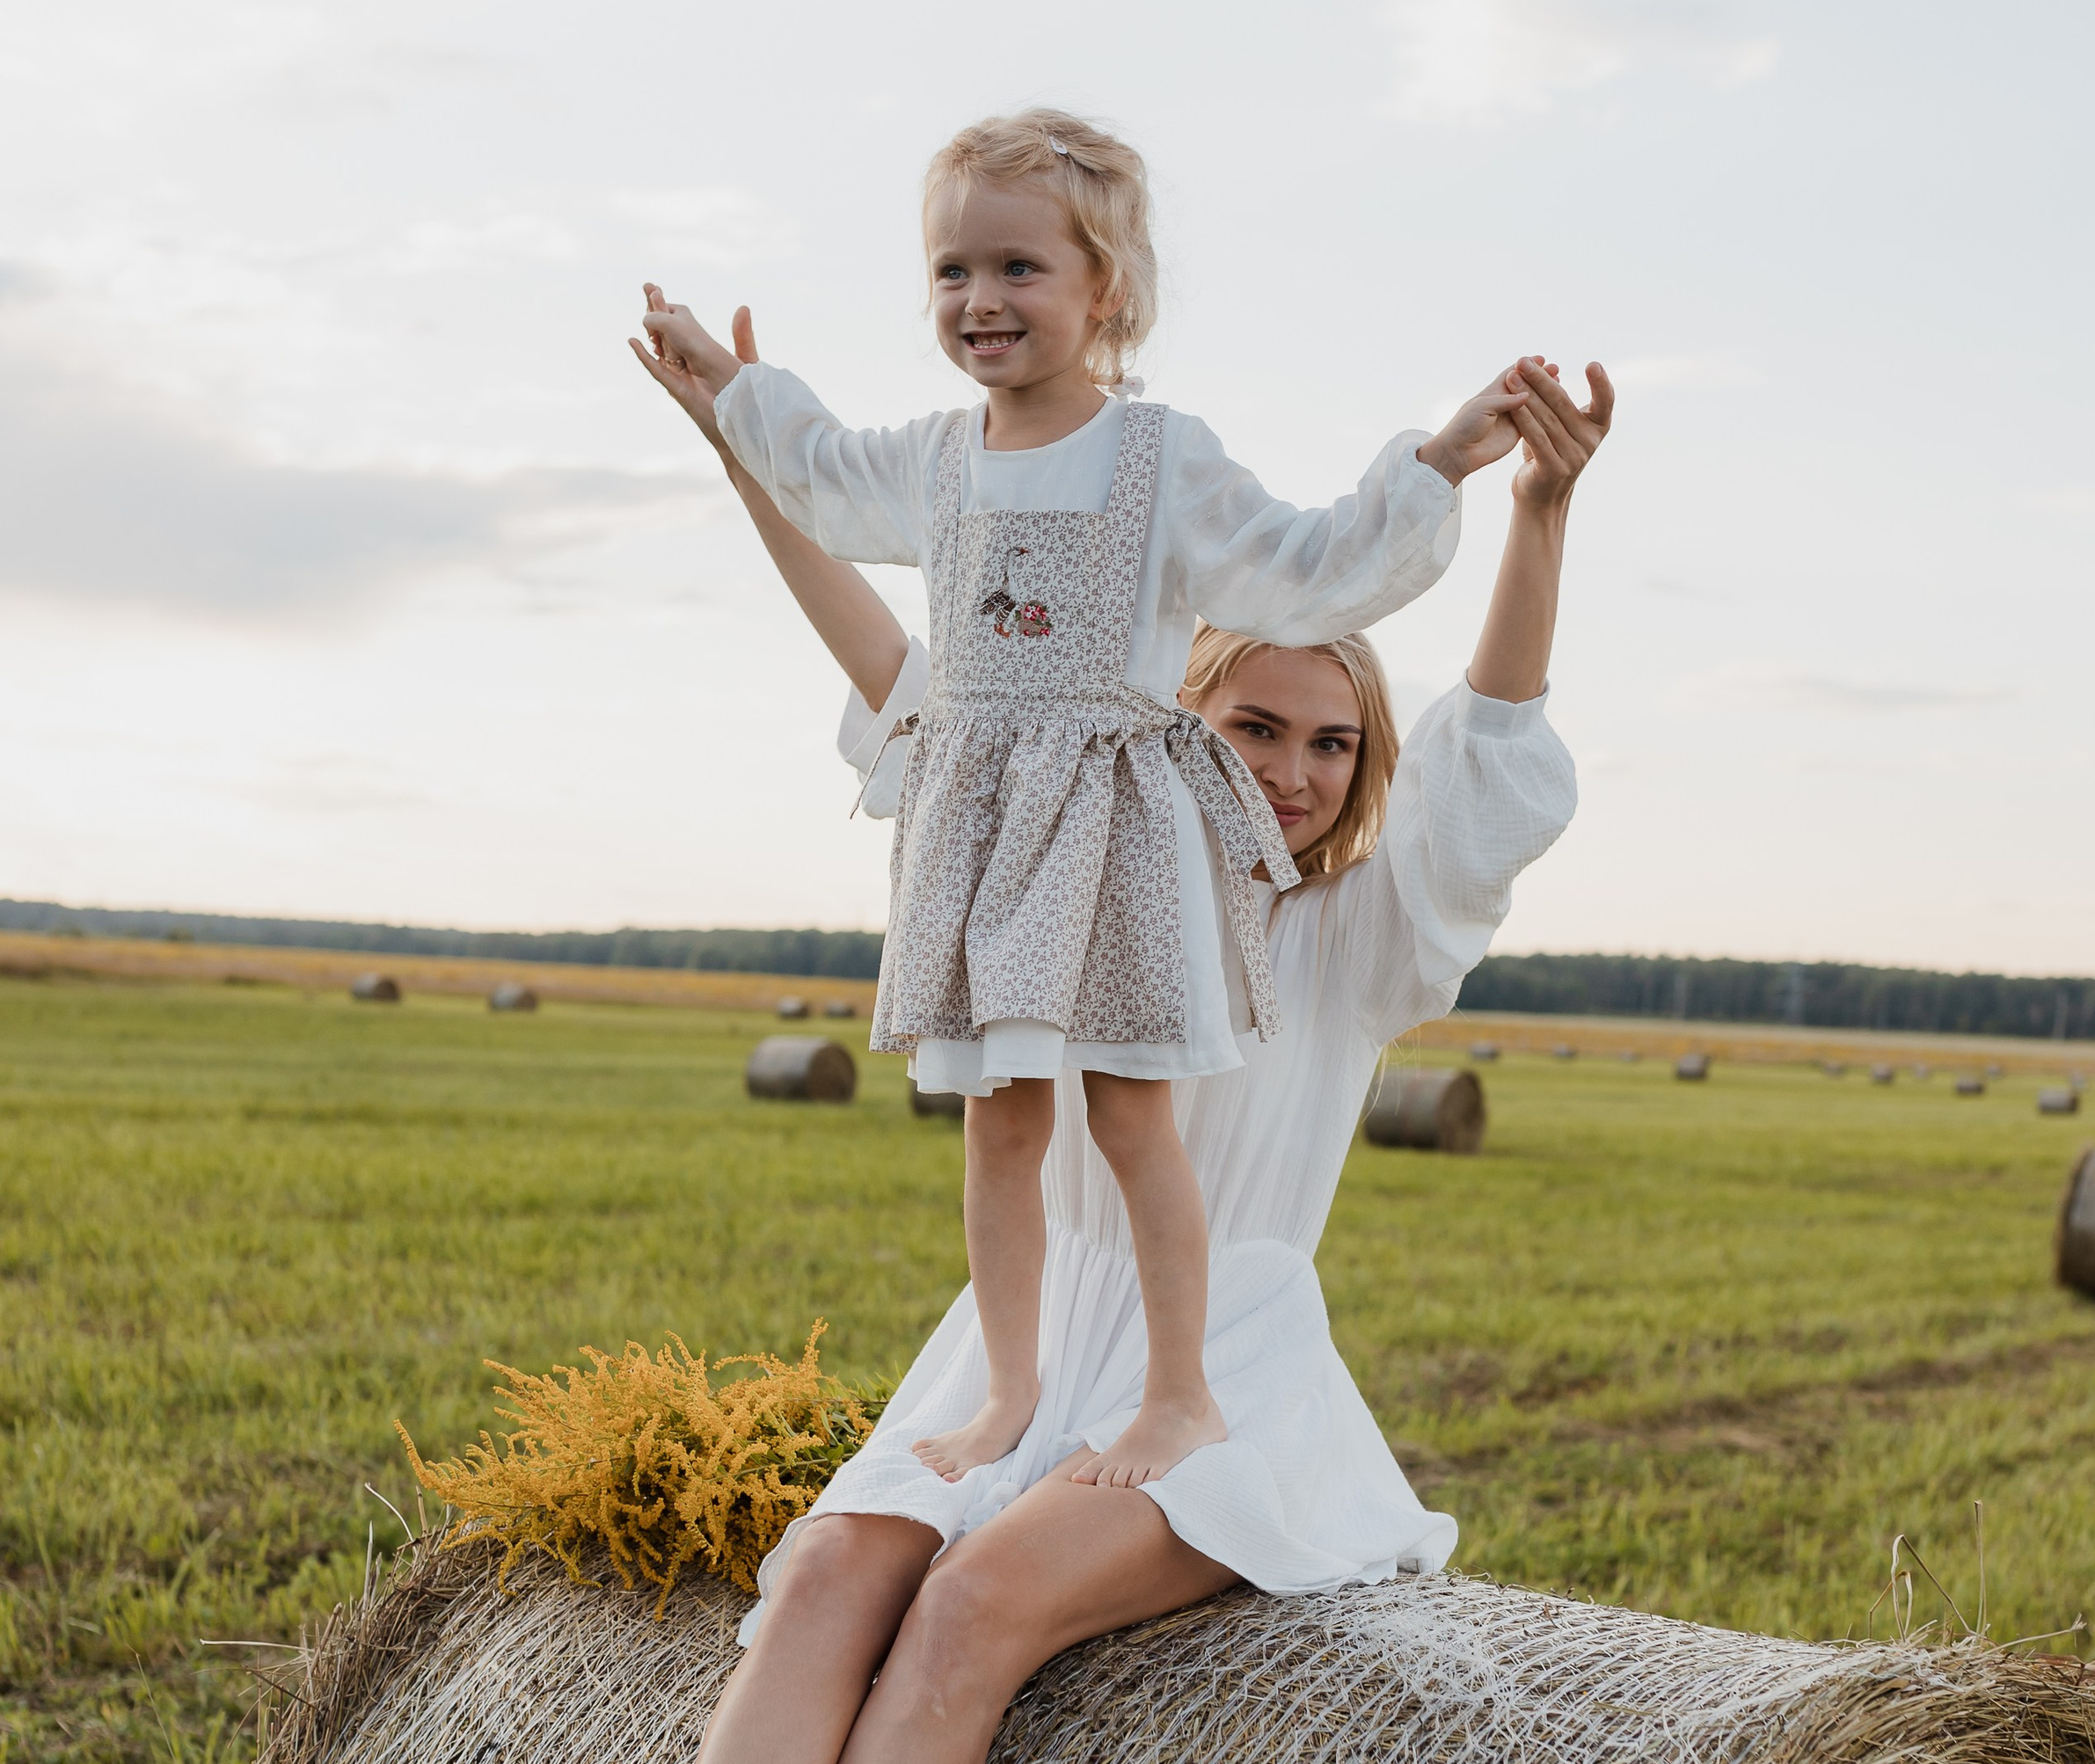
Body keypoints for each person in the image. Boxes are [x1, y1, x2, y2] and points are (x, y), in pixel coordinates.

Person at [472, 316, 1609, 1764]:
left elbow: (1495, 740)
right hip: (1021, 1336)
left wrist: (1536, 512)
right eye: (1254, 725)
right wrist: (744, 441)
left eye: (1329, 741)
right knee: (832, 1574)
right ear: (1176, 716)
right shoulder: (1077, 843)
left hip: (1220, 1373)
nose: (1291, 767)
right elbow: (894, 658)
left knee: (973, 1608)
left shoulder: (1350, 940)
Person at [636, 107, 1539, 1497]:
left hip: (1115, 825)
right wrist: (731, 396)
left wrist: (1444, 460)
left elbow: (1307, 563)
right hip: (984, 828)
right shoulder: (936, 462)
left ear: (1105, 290)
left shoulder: (1158, 458)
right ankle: (1012, 1384)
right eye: (952, 271)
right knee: (1001, 1119)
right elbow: (816, 470)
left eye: (1018, 269)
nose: (980, 301)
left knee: (1130, 1115)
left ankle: (1177, 1393)